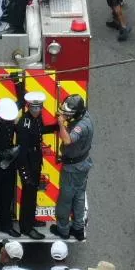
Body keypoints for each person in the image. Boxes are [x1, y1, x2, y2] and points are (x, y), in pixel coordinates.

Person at [49, 94, 91, 240]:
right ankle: (78, 229)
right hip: (83, 164)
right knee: (79, 196)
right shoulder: (86, 117)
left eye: (69, 113)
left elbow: (67, 140)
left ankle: (63, 230)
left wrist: (61, 123)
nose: (66, 115)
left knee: (65, 200)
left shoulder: (81, 127)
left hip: (72, 169)